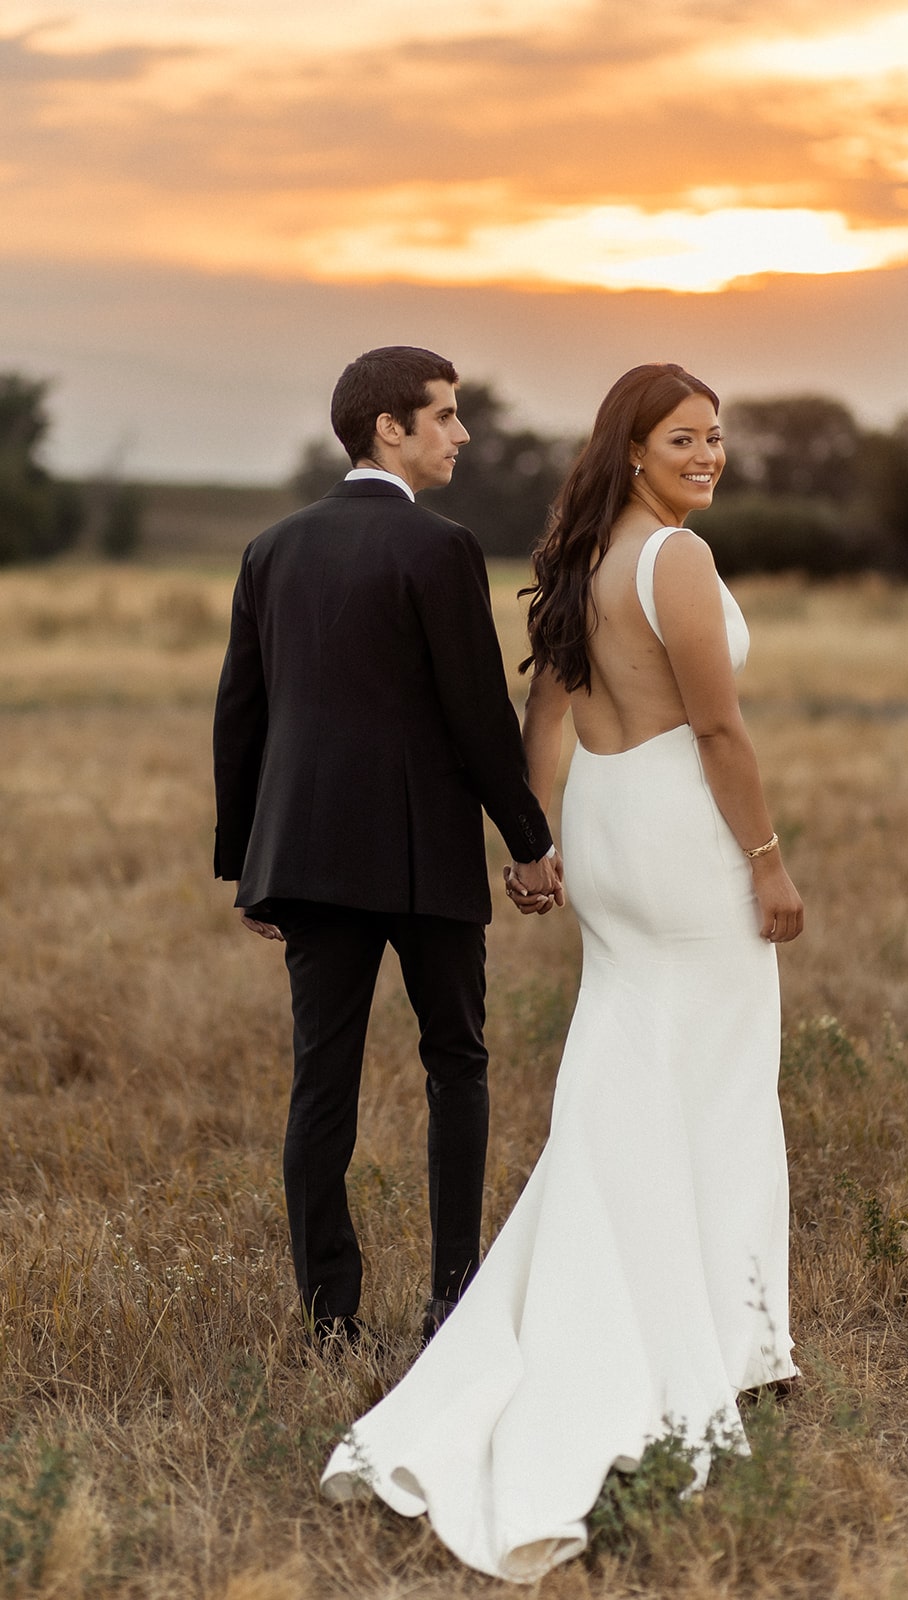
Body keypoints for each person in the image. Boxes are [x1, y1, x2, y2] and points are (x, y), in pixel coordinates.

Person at [320, 362, 804, 1581]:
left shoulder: (587, 560)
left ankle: (677, 1303)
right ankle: (732, 1338)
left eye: (717, 434)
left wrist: (536, 841)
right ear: (632, 449)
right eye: (685, 437)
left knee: (628, 1056)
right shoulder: (675, 562)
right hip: (683, 836)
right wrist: (767, 860)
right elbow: (720, 729)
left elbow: (545, 708)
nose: (709, 453)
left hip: (607, 831)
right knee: (725, 1073)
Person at [212, 345, 561, 1350]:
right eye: (443, 417)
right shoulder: (438, 548)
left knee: (320, 1080)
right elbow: (475, 717)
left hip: (307, 858)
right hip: (419, 860)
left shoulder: (271, 547)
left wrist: (250, 865)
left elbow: (241, 715)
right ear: (387, 429)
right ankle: (453, 1297)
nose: (460, 434)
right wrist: (530, 841)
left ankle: (330, 1318)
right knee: (456, 1061)